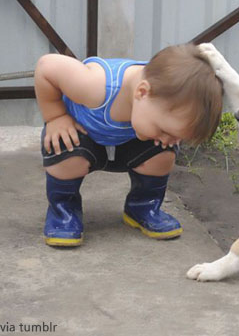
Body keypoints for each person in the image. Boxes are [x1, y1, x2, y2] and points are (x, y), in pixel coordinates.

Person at [34, 44, 223, 247]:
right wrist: (55, 116)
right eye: (165, 131)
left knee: (163, 153)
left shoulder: (158, 102)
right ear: (142, 92)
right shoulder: (94, 86)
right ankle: (64, 210)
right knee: (64, 147)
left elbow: (166, 136)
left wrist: (165, 137)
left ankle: (143, 206)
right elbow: (46, 66)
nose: (169, 139)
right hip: (83, 136)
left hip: (129, 143)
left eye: (178, 137)